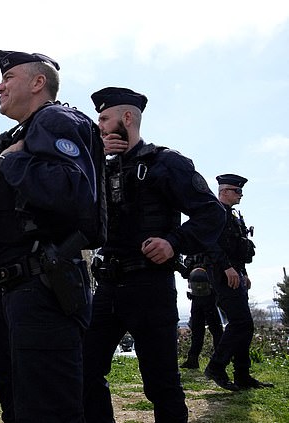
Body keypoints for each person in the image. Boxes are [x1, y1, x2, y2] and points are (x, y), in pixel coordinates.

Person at [0, 50, 101, 422]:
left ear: (37, 83)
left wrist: (14, 161)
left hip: (41, 288)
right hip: (8, 290)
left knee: (47, 410)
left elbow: (73, 192)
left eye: (9, 77)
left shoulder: (55, 119)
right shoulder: (20, 135)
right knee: (17, 406)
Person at [83, 87, 226, 423]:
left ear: (127, 118)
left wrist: (173, 242)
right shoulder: (100, 168)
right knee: (84, 372)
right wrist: (93, 157)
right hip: (106, 288)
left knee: (161, 384)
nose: (100, 125)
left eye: (104, 118)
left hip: (149, 286)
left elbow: (212, 213)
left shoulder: (165, 163)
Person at [203, 174, 273, 390]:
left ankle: (242, 375)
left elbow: (237, 248)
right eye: (237, 191)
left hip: (234, 273)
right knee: (241, 322)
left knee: (245, 325)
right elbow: (210, 244)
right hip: (222, 273)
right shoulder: (213, 211)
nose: (240, 195)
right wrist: (227, 268)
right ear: (224, 191)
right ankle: (216, 366)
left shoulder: (232, 215)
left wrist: (243, 272)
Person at [179, 255, 223, 369]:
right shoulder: (193, 253)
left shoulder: (212, 249)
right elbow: (186, 272)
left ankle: (220, 359)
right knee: (197, 329)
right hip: (196, 295)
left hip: (210, 294)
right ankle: (193, 359)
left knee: (215, 329)